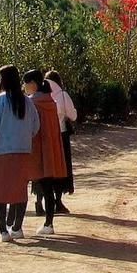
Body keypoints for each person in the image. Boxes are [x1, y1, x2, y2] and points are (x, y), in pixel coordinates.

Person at [0, 65, 40, 242]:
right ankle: (17, 227)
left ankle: (3, 231)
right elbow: (35, 127)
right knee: (19, 191)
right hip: (22, 152)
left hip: (1, 152)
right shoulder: (27, 102)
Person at [23, 69, 68, 235]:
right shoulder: (50, 101)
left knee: (29, 186)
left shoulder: (32, 103)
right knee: (48, 187)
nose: (24, 87)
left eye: (26, 84)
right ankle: (49, 223)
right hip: (51, 148)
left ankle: (15, 225)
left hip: (36, 150)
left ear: (33, 84)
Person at [45, 70, 77, 213]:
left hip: (44, 136)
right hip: (60, 135)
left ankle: (40, 201)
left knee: (44, 168)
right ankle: (58, 201)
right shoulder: (62, 95)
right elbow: (73, 116)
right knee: (60, 168)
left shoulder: (39, 94)